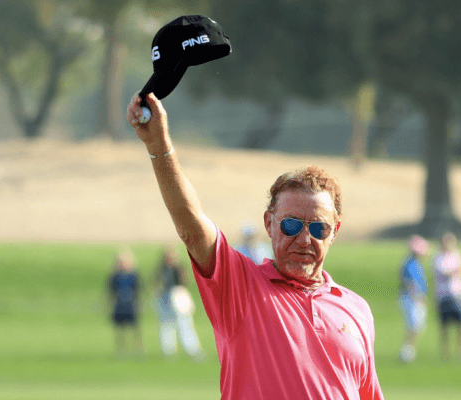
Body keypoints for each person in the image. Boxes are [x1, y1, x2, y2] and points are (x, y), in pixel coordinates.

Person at [127, 92, 384, 399]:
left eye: (318, 228)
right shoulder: (240, 286)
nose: (305, 239)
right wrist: (159, 147)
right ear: (269, 224)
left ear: (334, 232)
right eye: (291, 225)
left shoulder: (356, 308)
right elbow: (192, 227)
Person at [153, 246, 206, 362]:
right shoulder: (161, 269)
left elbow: (185, 281)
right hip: (165, 296)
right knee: (167, 324)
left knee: (185, 324)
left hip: (179, 294)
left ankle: (192, 350)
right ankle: (169, 351)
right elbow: (156, 283)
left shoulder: (180, 268)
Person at [432, 232, 461, 362]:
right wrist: (457, 270)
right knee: (445, 326)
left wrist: (458, 270)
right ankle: (445, 353)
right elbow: (445, 273)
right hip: (444, 296)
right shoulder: (438, 257)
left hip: (458, 295)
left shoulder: (457, 255)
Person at [397, 235, 430, 363]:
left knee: (417, 327)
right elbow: (411, 283)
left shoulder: (415, 264)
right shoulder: (410, 264)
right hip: (412, 299)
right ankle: (407, 352)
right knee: (414, 326)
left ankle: (408, 350)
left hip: (414, 298)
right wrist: (419, 297)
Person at [107, 248, 144, 358]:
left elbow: (138, 290)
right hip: (119, 304)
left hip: (131, 303)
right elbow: (111, 291)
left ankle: (138, 349)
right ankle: (122, 350)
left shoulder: (133, 275)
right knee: (120, 328)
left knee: (135, 328)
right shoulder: (115, 276)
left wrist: (139, 303)